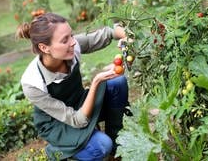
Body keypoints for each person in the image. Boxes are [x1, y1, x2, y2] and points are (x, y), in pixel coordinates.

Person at [16, 12, 131, 160]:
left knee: (117, 83)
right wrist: (96, 81)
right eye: (65, 40)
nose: (73, 42)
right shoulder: (33, 83)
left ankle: (117, 149)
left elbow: (108, 33)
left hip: (80, 104)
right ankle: (57, 149)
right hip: (58, 123)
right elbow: (78, 120)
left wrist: (127, 36)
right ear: (44, 48)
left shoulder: (71, 47)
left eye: (71, 35)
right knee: (102, 146)